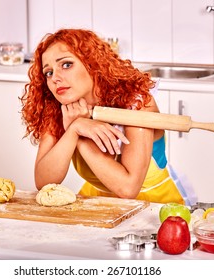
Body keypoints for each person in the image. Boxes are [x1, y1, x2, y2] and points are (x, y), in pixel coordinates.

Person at [21, 28, 193, 205]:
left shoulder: (137, 103)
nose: (55, 78)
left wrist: (80, 136)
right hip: (98, 203)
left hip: (154, 206)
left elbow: (128, 188)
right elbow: (43, 182)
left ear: (93, 64)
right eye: (48, 72)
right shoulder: (60, 108)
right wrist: (74, 130)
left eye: (66, 65)